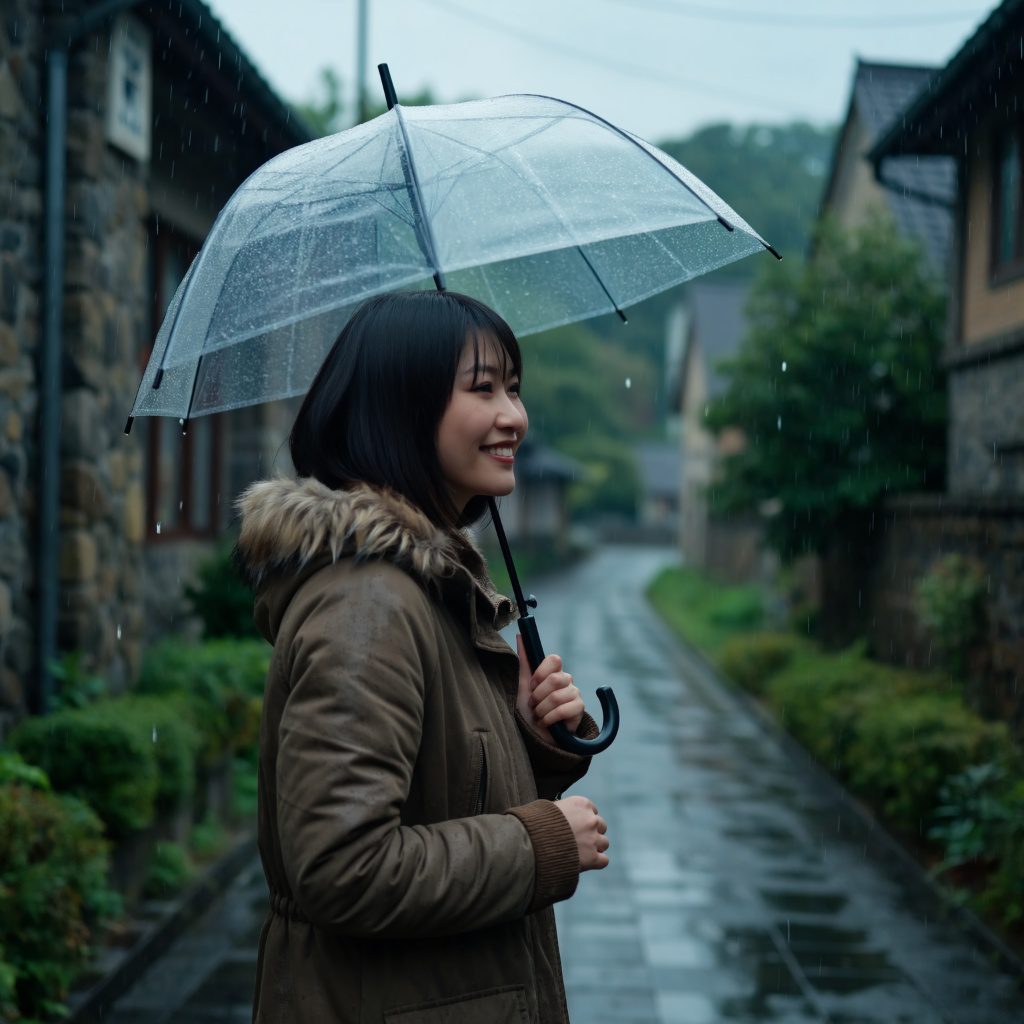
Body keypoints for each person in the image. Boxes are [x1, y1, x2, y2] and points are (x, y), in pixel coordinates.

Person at [235, 290, 610, 1023]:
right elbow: (343, 867)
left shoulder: (422, 590)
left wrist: (532, 744)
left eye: (514, 387)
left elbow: (433, 791)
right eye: (484, 389)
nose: (515, 416)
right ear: (402, 407)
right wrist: (542, 845)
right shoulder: (369, 606)